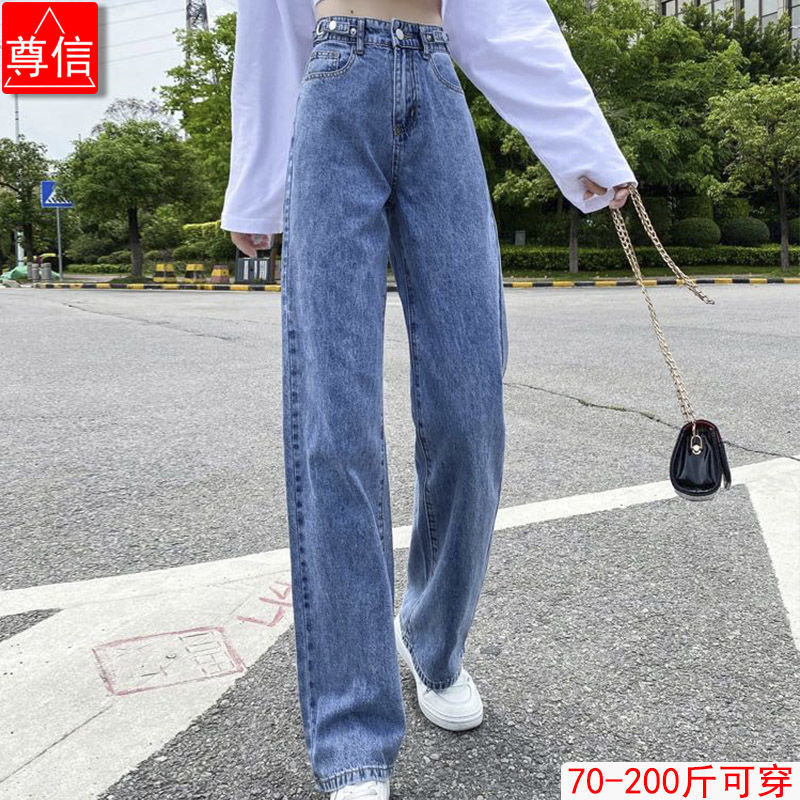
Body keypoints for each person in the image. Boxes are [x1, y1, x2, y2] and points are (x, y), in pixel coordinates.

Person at [221, 0, 635, 797]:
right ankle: (353, 732)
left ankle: (433, 641)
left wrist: (583, 143)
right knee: (335, 424)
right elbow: (269, 25)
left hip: (437, 88)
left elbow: (504, 16)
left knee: (470, 413)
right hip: (332, 87)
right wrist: (257, 185)